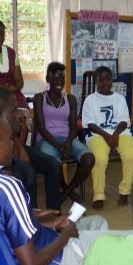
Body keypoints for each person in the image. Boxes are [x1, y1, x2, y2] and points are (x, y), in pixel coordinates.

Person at [0, 112, 122, 265]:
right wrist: (65, 236)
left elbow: (0, 226)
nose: (13, 144)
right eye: (9, 139)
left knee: (98, 222)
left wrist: (40, 219)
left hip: (2, 264)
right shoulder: (7, 187)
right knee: (126, 244)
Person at [33, 62, 94, 204]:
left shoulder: (70, 99)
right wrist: (59, 146)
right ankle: (69, 190)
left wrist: (67, 143)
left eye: (62, 78)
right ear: (48, 79)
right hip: (47, 139)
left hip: (68, 138)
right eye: (55, 78)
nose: (59, 82)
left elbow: (73, 126)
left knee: (89, 159)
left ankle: (66, 192)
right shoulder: (39, 98)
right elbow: (41, 128)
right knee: (54, 164)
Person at [82, 65, 133, 209]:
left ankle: (125, 191)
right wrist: (107, 136)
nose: (104, 83)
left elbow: (124, 121)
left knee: (131, 157)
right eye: (100, 80)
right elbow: (90, 124)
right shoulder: (90, 100)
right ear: (96, 81)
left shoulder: (119, 99)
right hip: (98, 135)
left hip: (121, 133)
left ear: (112, 80)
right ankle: (98, 195)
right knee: (100, 159)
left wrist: (115, 135)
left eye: (107, 79)